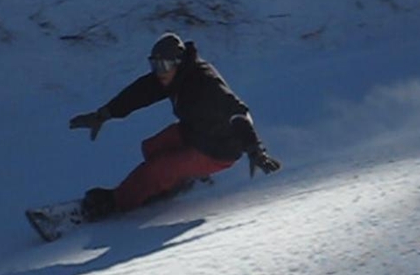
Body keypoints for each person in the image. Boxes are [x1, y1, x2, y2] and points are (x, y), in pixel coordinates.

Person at [69, 32, 281, 220]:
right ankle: (170, 185)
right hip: (195, 132)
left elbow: (238, 112)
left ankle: (115, 201)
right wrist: (103, 114)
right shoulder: (171, 77)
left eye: (163, 66)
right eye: (154, 65)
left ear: (178, 62)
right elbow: (138, 94)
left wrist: (255, 149)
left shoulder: (205, 81)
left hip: (218, 149)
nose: (159, 72)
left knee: (156, 169)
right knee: (151, 148)